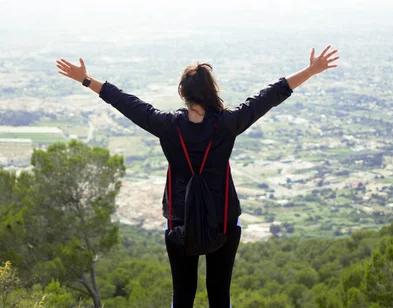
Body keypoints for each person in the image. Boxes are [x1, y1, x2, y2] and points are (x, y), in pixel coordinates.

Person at [56, 45, 339, 308]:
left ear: (182, 92)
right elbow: (269, 97)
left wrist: (86, 80)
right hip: (224, 219)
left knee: (182, 295)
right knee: (219, 294)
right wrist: (311, 71)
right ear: (210, 92)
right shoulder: (228, 124)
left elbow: (127, 103)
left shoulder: (167, 126)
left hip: (179, 220)